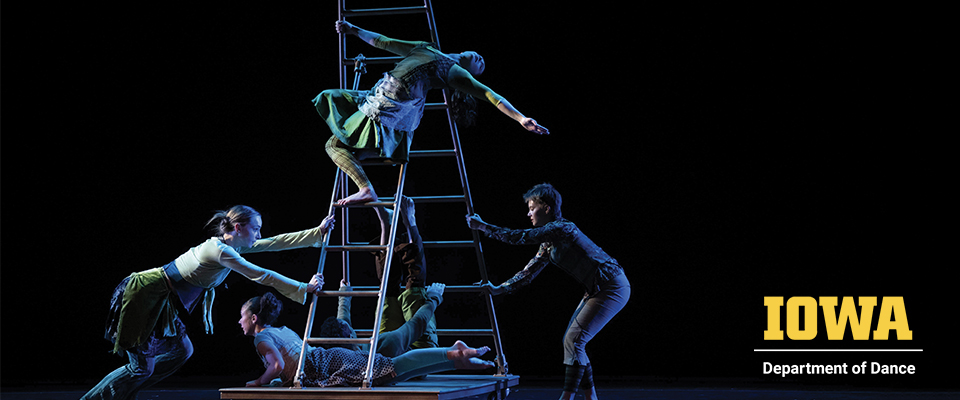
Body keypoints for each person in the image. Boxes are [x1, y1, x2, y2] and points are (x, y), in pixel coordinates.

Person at [81, 206, 335, 400]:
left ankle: (125, 392)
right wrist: (305, 287)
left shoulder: (231, 247)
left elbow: (274, 242)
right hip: (145, 294)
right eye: (255, 228)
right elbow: (261, 275)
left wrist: (317, 232)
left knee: (182, 352)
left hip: (164, 301)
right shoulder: (220, 250)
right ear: (237, 227)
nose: (259, 234)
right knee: (141, 368)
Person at [316, 20, 550, 205]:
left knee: (333, 145)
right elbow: (384, 42)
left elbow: (490, 95)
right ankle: (364, 172)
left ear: (470, 74)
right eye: (481, 58)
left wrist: (521, 118)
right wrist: (352, 30)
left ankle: (366, 189)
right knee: (335, 124)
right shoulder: (425, 47)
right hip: (376, 95)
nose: (481, 60)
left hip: (388, 106)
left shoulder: (456, 73)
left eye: (481, 66)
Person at [466, 183, 631, 400]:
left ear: (547, 208)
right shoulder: (548, 243)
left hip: (612, 285)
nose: (528, 213)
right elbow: (530, 271)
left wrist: (484, 227)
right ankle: (590, 397)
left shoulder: (563, 228)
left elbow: (520, 237)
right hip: (597, 289)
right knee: (573, 343)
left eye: (532, 208)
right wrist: (500, 289)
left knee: (574, 341)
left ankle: (567, 396)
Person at [240, 292, 494, 387]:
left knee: (393, 368)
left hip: (328, 364)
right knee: (393, 372)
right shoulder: (283, 330)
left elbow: (277, 367)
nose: (239, 322)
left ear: (253, 318)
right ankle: (454, 360)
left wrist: (258, 382)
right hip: (329, 359)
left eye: (242, 316)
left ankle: (453, 353)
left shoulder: (262, 338)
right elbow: (287, 370)